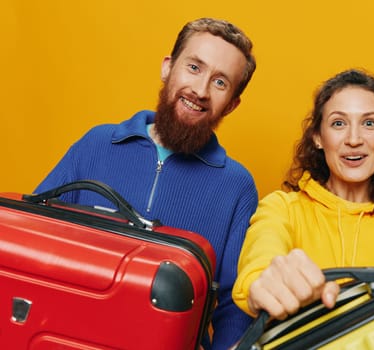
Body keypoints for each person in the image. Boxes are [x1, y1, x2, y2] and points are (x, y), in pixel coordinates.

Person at [34, 17, 257, 350]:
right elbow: (35, 237)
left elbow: (233, 307)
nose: (200, 90)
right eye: (194, 67)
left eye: (220, 82)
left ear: (233, 103)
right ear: (168, 67)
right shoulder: (96, 144)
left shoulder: (237, 187)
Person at [232, 68, 374, 321]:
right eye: (339, 123)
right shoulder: (281, 209)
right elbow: (259, 266)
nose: (354, 139)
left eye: (369, 123)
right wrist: (265, 284)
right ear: (318, 137)